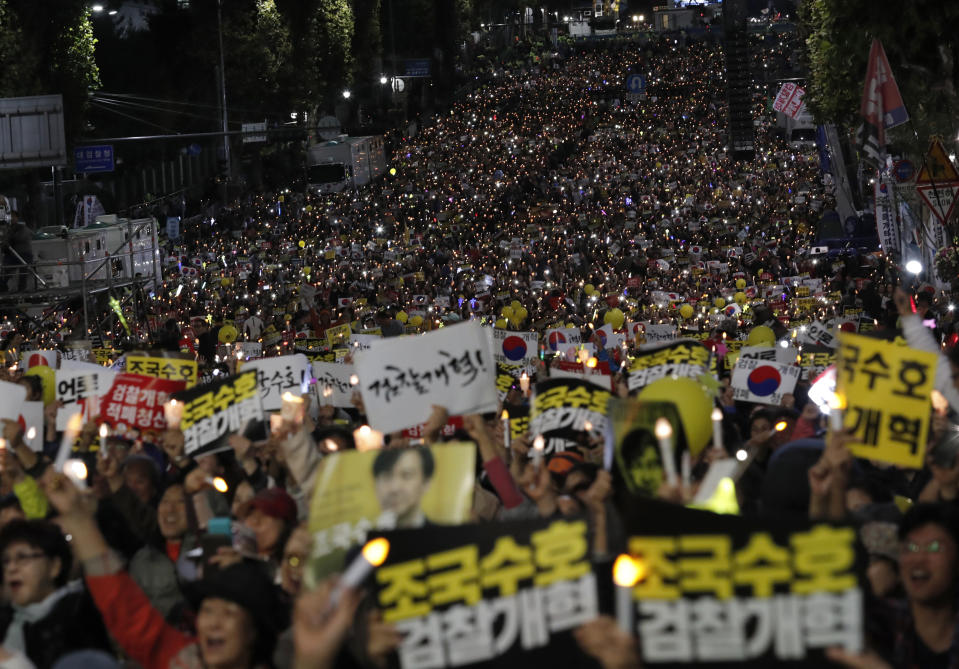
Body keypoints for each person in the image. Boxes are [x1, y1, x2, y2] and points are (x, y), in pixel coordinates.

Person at [0, 519, 111, 668]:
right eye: (6, 561)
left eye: (22, 558)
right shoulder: (6, 620)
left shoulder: (81, 613)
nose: (12, 568)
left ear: (54, 566)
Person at [372, 447, 434, 528]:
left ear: (426, 483)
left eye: (406, 475)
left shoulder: (444, 537)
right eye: (386, 476)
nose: (394, 488)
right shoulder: (359, 536)